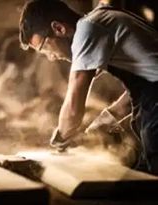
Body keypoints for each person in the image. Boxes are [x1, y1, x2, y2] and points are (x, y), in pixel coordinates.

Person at [19, 0, 158, 175]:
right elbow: (144, 87)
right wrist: (106, 119)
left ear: (59, 28)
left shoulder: (87, 29)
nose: (51, 58)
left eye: (44, 47)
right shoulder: (99, 23)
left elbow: (73, 108)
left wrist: (60, 139)